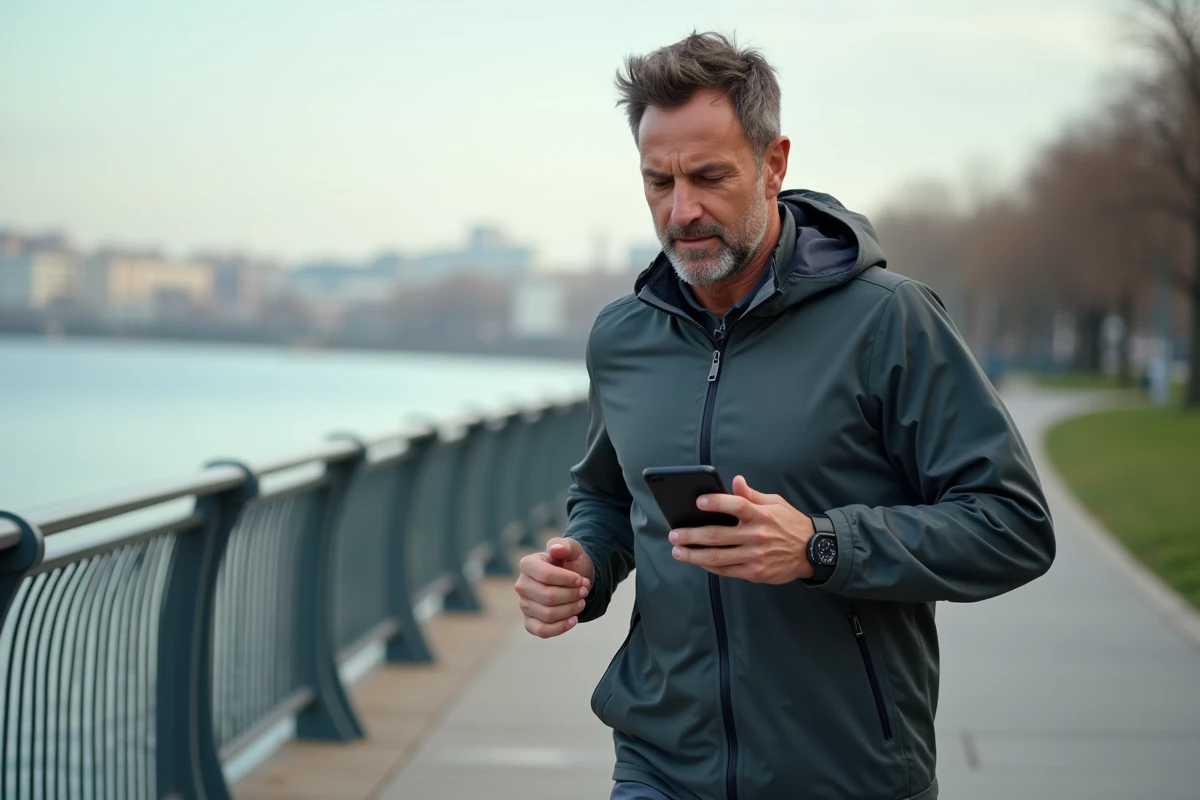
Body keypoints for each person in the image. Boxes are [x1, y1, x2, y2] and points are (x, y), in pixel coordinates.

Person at [513, 31, 1055, 800]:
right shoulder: (622, 336)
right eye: (657, 182)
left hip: (845, 773)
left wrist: (823, 545)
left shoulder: (888, 322)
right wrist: (583, 567)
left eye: (708, 176)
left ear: (774, 163)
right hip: (660, 766)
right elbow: (605, 493)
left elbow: (1012, 524)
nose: (682, 210)